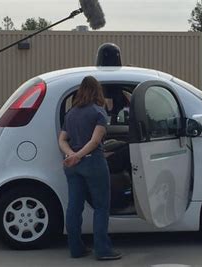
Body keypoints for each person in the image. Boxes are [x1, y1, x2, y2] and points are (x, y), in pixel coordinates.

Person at [58, 76, 122, 260]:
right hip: (92, 162)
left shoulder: (71, 113)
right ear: (97, 91)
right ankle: (103, 250)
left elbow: (62, 139)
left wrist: (71, 155)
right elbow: (95, 141)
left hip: (72, 166)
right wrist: (79, 156)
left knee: (74, 207)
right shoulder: (98, 112)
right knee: (101, 207)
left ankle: (76, 249)